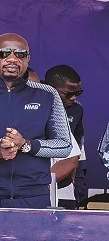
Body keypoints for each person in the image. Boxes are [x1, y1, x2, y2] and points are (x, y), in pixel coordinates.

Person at [0, 33, 72, 208]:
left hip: (33, 197)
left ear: (28, 59)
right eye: (3, 53)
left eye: (20, 54)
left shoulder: (47, 94)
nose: (12, 59)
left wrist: (26, 144)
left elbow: (64, 146)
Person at [45, 65, 86, 208]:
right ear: (51, 88)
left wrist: (75, 177)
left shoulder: (77, 109)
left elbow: (78, 147)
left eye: (77, 93)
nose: (73, 98)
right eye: (68, 94)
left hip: (64, 187)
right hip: (33, 186)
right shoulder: (36, 105)